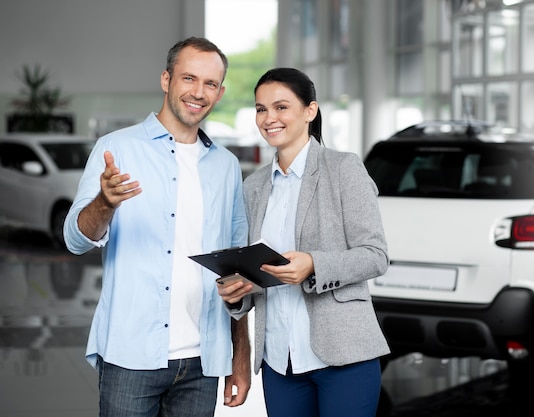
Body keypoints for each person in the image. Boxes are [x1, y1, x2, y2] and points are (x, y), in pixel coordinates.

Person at [63, 37, 251, 417]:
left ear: (220, 91)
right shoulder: (116, 148)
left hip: (204, 360)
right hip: (130, 354)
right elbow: (74, 240)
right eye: (189, 78)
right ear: (166, 80)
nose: (198, 93)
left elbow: (237, 266)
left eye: (210, 84)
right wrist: (105, 203)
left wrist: (240, 357)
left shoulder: (226, 166)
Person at [217, 67, 390, 417]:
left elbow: (375, 256)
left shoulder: (343, 169)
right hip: (281, 361)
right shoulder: (254, 186)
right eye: (261, 109)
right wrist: (240, 290)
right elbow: (257, 267)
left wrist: (314, 263)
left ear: (310, 111)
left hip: (344, 355)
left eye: (281, 107)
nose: (269, 118)